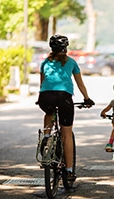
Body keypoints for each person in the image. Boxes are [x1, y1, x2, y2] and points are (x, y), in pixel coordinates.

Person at [37, 34, 95, 180]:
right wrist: (87, 99)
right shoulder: (71, 62)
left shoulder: (45, 63)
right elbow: (80, 83)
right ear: (66, 48)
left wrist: (42, 98)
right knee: (66, 134)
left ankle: (46, 137)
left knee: (49, 112)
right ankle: (69, 171)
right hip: (64, 98)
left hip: (45, 96)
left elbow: (43, 84)